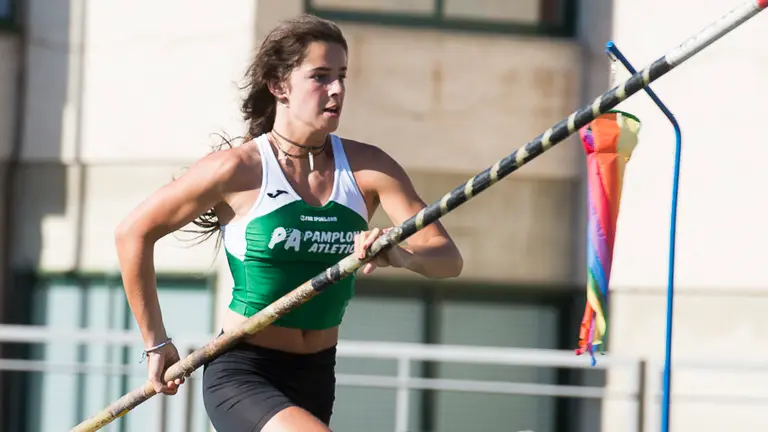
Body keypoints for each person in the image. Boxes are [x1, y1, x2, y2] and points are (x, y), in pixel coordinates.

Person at [114, 13, 463, 432]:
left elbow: (447, 260)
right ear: (279, 86)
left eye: (342, 76)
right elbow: (132, 232)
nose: (337, 90)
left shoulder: (370, 167)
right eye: (320, 77)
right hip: (244, 371)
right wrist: (156, 343)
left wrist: (402, 256)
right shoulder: (238, 170)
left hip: (317, 373)